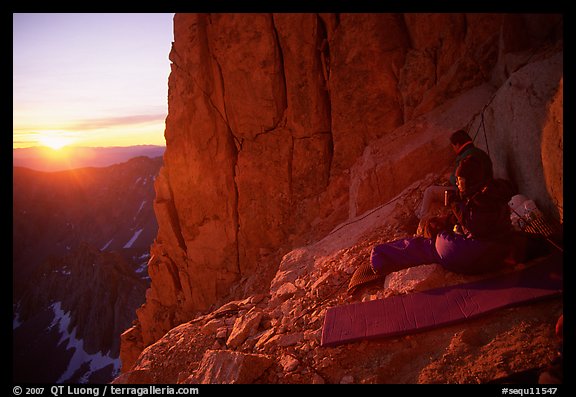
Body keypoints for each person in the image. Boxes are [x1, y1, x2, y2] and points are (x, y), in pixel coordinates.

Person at [348, 155, 514, 294]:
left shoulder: (481, 202)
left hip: (478, 255)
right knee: (434, 237)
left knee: (433, 245)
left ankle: (380, 257)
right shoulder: (490, 195)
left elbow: (474, 223)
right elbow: (472, 222)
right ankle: (381, 256)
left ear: (470, 180)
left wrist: (454, 204)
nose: (457, 183)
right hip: (495, 252)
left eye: (460, 180)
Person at [416, 129, 493, 220]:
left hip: (470, 193)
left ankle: (423, 218)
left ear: (457, 144)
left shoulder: (464, 158)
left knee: (430, 191)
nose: (454, 150)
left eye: (453, 147)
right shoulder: (482, 153)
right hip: (485, 189)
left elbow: (456, 181)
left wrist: (450, 177)